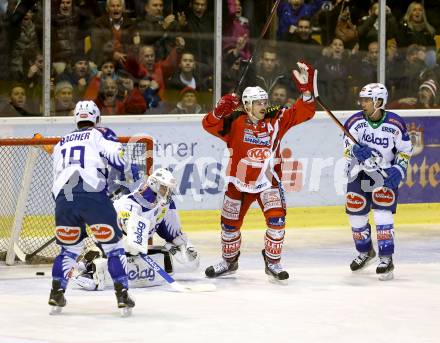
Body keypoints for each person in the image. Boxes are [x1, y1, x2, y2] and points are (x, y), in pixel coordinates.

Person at [202, 61, 317, 282]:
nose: (263, 106)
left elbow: (305, 112)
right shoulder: (235, 120)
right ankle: (229, 261)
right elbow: (208, 125)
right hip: (239, 182)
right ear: (246, 105)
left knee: (277, 221)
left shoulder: (277, 117)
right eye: (258, 103)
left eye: (265, 101)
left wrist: (306, 92)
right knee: (229, 225)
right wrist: (217, 112)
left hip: (267, 182)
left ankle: (273, 262)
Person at [49, 100, 137, 316]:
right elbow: (119, 157)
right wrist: (131, 168)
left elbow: (56, 179)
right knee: (114, 248)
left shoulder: (60, 143)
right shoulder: (99, 134)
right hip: (92, 196)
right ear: (96, 119)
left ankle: (56, 292)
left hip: (63, 201)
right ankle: (122, 294)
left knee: (69, 250)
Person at [73, 168, 200, 290]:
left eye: (168, 189)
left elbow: (172, 231)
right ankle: (89, 264)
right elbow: (128, 238)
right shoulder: (129, 205)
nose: (167, 192)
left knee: (190, 262)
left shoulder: (165, 203)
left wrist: (179, 243)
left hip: (131, 243)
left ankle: (99, 261)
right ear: (153, 184)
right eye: (164, 188)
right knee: (121, 251)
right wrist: (132, 243)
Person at [343, 83, 413, 281]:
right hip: (359, 173)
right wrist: (355, 151)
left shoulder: (395, 124)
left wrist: (399, 169)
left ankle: (386, 258)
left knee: (382, 215)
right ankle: (366, 252)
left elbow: (405, 150)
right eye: (362, 99)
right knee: (356, 217)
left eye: (367, 100)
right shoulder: (354, 122)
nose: (362, 103)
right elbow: (347, 149)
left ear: (379, 102)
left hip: (384, 175)